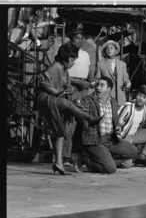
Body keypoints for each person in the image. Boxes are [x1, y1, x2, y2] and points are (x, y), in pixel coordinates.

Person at [37, 43, 100, 176]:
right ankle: (90, 119)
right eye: (71, 60)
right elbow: (43, 81)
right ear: (65, 58)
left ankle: (59, 164)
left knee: (61, 133)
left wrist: (67, 90)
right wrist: (57, 93)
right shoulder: (56, 67)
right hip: (47, 98)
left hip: (53, 99)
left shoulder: (63, 70)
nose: (73, 63)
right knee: (67, 105)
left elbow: (64, 83)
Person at [79, 76, 138, 174]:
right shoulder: (88, 100)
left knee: (133, 151)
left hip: (111, 139)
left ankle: (103, 161)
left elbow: (116, 119)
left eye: (102, 85)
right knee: (110, 169)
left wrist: (118, 126)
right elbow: (81, 117)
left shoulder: (113, 102)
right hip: (95, 140)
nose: (98, 88)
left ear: (109, 89)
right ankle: (86, 160)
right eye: (97, 85)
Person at [63, 26, 94, 166]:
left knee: (81, 121)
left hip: (83, 88)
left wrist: (90, 83)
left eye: (82, 38)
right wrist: (77, 81)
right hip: (71, 86)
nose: (80, 41)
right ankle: (64, 156)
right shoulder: (65, 51)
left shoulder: (86, 54)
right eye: (77, 38)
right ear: (71, 39)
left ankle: (77, 155)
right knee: (69, 121)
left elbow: (89, 72)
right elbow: (61, 73)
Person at [118, 85, 146, 166]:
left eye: (144, 97)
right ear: (136, 95)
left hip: (135, 134)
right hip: (124, 137)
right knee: (127, 164)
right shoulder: (128, 107)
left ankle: (142, 158)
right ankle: (114, 156)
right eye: (139, 95)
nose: (141, 98)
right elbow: (117, 122)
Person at [95, 40, 131, 106]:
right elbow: (97, 79)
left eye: (111, 48)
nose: (109, 50)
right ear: (105, 51)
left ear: (116, 51)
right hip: (106, 96)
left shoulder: (122, 64)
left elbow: (125, 78)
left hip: (120, 97)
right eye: (107, 48)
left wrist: (127, 83)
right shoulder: (100, 64)